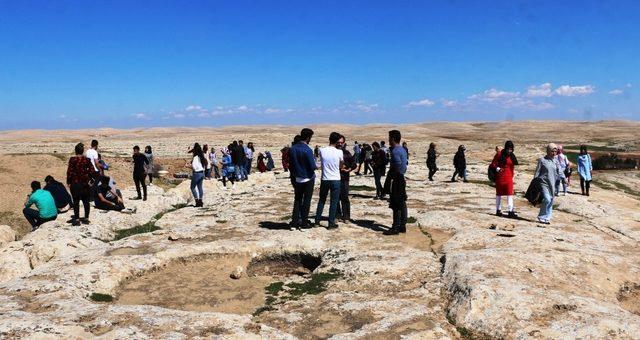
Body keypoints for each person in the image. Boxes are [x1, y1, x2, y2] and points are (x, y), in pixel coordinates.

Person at [314, 132, 344, 229]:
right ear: (337, 141)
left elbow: (319, 160)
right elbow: (341, 165)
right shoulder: (339, 152)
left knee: (322, 200)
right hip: (335, 178)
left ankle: (317, 221)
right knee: (334, 201)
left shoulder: (322, 150)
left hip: (325, 178)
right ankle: (331, 223)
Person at [289, 128, 317, 230]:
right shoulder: (308, 150)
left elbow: (291, 164)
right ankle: (304, 223)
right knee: (306, 201)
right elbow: (312, 166)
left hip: (297, 178)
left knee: (297, 200)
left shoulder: (293, 149)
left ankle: (294, 223)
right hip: (308, 178)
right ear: (309, 137)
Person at [383, 130, 408, 235]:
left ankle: (395, 227)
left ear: (393, 139)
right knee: (402, 202)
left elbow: (398, 164)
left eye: (389, 138)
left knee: (396, 203)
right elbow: (404, 165)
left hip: (396, 178)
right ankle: (402, 225)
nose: (388, 140)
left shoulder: (395, 151)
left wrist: (393, 176)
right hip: (401, 177)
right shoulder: (402, 149)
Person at [490, 141, 519, 218]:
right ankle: (498, 210)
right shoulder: (499, 154)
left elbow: (512, 167)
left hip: (509, 177)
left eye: (511, 149)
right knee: (499, 194)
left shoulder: (512, 156)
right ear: (505, 148)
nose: (510, 151)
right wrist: (497, 168)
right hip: (500, 177)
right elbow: (493, 164)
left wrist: (513, 176)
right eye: (508, 149)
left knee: (510, 194)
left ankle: (510, 211)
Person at [67, 143, 93, 226]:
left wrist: (68, 182)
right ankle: (86, 218)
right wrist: (90, 180)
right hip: (85, 183)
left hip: (75, 183)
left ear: (75, 150)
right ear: (82, 151)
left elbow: (69, 172)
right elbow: (92, 171)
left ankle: (77, 219)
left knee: (76, 202)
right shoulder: (87, 160)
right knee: (86, 201)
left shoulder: (72, 159)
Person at [534, 143, 558, 224]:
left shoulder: (555, 161)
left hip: (552, 183)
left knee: (551, 200)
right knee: (547, 199)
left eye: (555, 151)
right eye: (552, 151)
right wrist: (535, 182)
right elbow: (537, 172)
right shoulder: (542, 160)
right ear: (548, 151)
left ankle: (547, 217)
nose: (554, 153)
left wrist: (564, 179)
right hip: (543, 183)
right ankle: (541, 216)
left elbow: (559, 171)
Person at [337, 135, 357, 222]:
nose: (340, 144)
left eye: (342, 142)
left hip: (344, 178)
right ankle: (337, 215)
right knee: (336, 198)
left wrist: (349, 169)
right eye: (339, 142)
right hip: (335, 178)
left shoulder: (346, 153)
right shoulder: (333, 152)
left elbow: (354, 164)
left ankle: (346, 216)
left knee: (345, 197)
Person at [188, 143, 207, 207]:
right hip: (202, 173)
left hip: (197, 174)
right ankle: (200, 201)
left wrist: (188, 166)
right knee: (200, 187)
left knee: (192, 187)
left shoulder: (195, 158)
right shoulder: (201, 157)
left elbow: (194, 167)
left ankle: (197, 202)